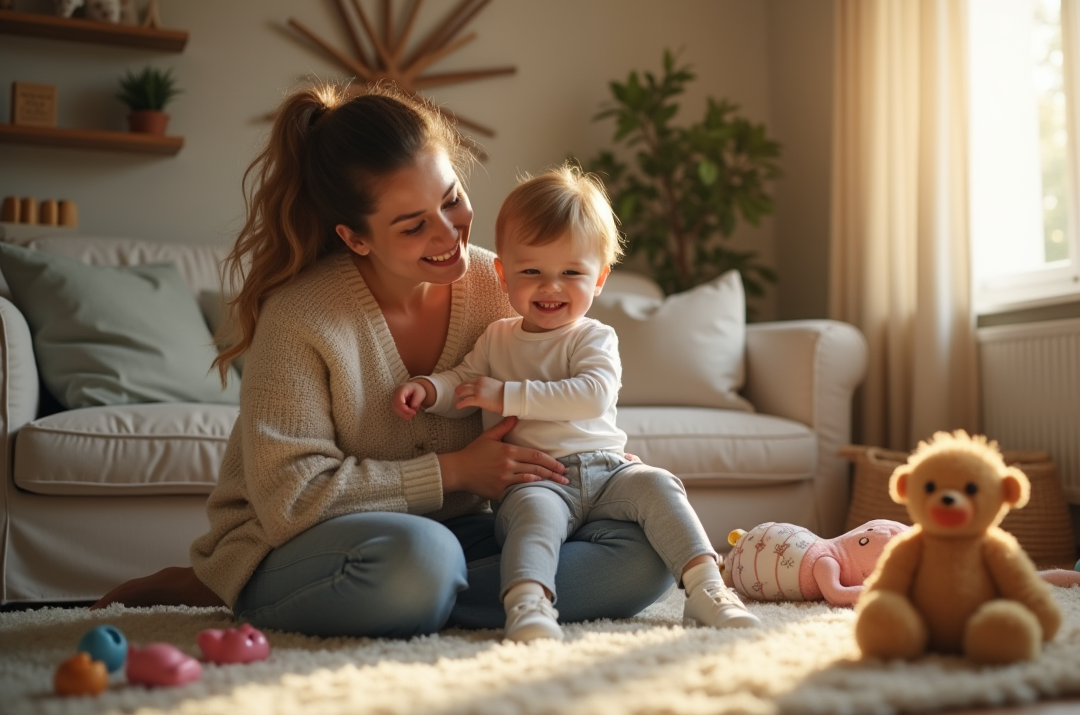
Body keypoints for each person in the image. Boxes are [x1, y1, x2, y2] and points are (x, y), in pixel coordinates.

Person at [91, 83, 674, 637]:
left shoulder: (504, 282)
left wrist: (589, 457)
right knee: (420, 558)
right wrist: (454, 471)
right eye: (414, 225)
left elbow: (561, 388)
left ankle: (460, 599)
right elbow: (291, 500)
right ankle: (240, 586)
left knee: (642, 554)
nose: (449, 234)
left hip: (470, 531)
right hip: (303, 540)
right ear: (356, 238)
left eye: (452, 200)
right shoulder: (301, 316)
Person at [392, 165, 761, 642]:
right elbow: (464, 382)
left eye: (571, 273)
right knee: (532, 521)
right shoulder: (496, 338)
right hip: (536, 476)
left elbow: (591, 395)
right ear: (503, 274)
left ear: (600, 278)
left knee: (660, 486)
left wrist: (504, 396)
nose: (551, 288)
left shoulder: (593, 337)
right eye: (532, 272)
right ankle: (528, 603)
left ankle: (708, 589)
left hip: (609, 471)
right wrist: (430, 390)